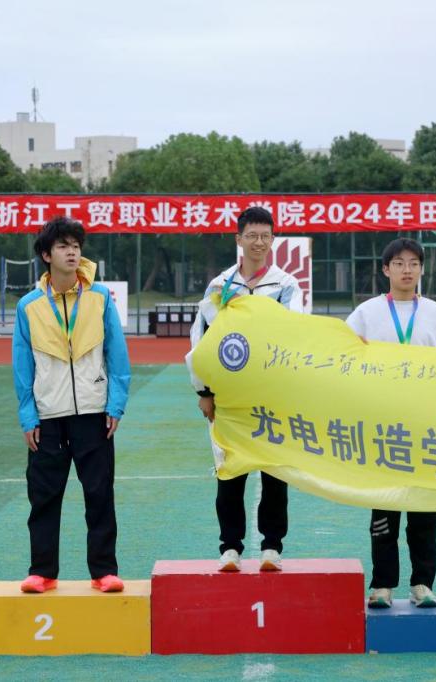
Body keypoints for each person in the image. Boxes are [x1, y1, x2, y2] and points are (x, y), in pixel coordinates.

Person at [12, 216, 131, 593]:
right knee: (43, 497)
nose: (72, 252)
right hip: (47, 416)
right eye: (63, 246)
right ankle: (42, 572)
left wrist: (115, 404)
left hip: (94, 414)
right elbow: (22, 365)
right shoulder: (29, 306)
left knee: (100, 494)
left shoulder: (100, 298)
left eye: (76, 246)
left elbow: (117, 354)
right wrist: (28, 414)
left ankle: (104, 571)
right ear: (47, 255)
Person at [344, 237, 436, 610]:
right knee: (383, 510)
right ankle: (382, 585)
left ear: (422, 269)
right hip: (383, 428)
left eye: (413, 263)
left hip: (427, 428)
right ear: (386, 269)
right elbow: (341, 356)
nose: (407, 270)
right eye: (398, 263)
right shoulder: (366, 313)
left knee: (425, 510)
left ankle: (422, 583)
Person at [186, 206, 304, 572]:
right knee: (230, 470)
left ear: (273, 240)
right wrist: (204, 391)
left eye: (265, 236)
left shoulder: (286, 285)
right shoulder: (220, 286)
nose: (258, 242)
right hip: (229, 396)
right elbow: (201, 338)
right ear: (239, 239)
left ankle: (272, 546)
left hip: (272, 393)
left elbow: (295, 334)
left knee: (275, 470)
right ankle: (230, 548)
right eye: (251, 235)